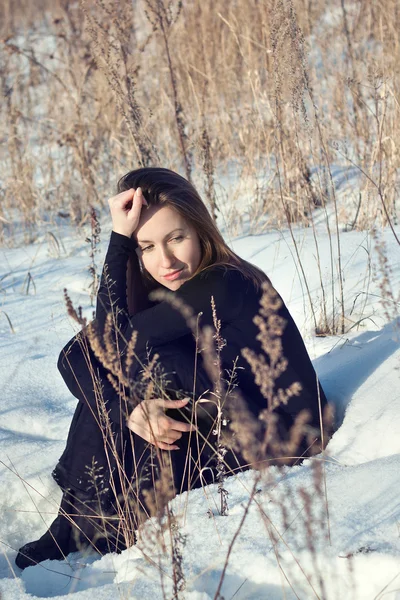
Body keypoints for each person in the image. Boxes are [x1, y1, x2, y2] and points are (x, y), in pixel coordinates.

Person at [15, 167, 330, 570]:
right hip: (222, 419)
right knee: (119, 380)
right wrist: (127, 409)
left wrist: (117, 243)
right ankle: (82, 524)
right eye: (145, 246)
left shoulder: (224, 283)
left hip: (284, 435)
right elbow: (75, 355)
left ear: (200, 229)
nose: (164, 260)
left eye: (175, 238)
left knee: (151, 366)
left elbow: (112, 345)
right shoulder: (167, 289)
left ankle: (88, 526)